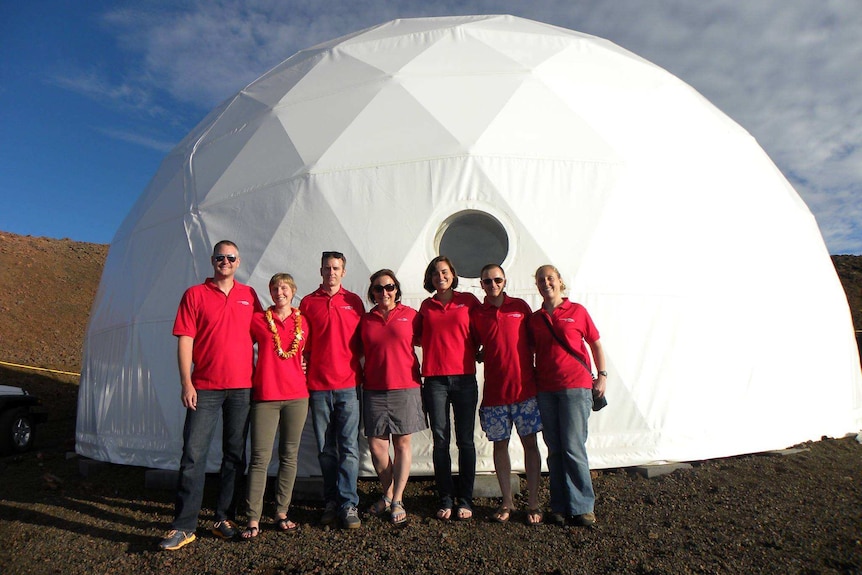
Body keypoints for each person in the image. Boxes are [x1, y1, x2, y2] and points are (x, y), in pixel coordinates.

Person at [159, 240, 263, 551]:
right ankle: (184, 525)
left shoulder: (249, 296)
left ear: (238, 261)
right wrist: (186, 382)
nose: (225, 262)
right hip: (204, 386)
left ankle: (223, 518)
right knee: (193, 455)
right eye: (220, 257)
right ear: (213, 260)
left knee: (234, 455)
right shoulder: (195, 294)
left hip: (242, 387)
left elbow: (267, 333)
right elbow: (185, 339)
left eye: (231, 258)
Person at [529, 264, 607, 527]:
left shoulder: (577, 311)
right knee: (555, 449)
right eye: (541, 280)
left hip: (575, 386)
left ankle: (583, 506)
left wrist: (602, 375)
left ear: (560, 281)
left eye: (550, 278)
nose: (546, 283)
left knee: (573, 446)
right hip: (546, 389)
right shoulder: (535, 318)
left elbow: (595, 343)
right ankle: (560, 505)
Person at [471, 264, 543, 525]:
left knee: (530, 445)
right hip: (495, 394)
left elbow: (535, 342)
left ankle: (533, 502)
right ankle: (507, 501)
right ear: (481, 284)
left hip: (525, 391)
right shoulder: (477, 313)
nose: (493, 285)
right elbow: (474, 345)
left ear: (504, 281)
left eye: (497, 280)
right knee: (499, 445)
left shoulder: (520, 307)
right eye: (487, 281)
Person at [299, 251, 365, 529]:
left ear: (344, 271)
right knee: (327, 450)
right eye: (327, 268)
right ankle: (330, 500)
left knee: (349, 448)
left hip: (349, 385)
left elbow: (365, 340)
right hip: (319, 386)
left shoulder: (354, 302)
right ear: (321, 270)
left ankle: (348, 503)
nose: (331, 273)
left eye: (336, 268)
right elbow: (300, 342)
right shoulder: (308, 302)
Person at [242, 273, 308, 539]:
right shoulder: (258, 320)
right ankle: (253, 517)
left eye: (284, 287)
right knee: (259, 458)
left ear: (292, 291)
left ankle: (282, 511)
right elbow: (241, 347)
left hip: (296, 396)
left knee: (289, 456)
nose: (279, 291)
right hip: (265, 396)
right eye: (274, 287)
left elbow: (306, 354)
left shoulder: (303, 322)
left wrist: (305, 365)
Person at [359, 269, 427, 525]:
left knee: (401, 444)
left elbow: (429, 339)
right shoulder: (366, 320)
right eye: (378, 288)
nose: (384, 292)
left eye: (389, 287)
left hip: (405, 387)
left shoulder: (410, 316)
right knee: (377, 446)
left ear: (396, 289)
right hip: (374, 388)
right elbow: (352, 350)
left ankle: (395, 498)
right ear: (372, 292)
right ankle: (389, 492)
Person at [417, 256, 481, 520]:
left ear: (453, 274)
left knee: (465, 441)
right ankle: (445, 497)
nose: (439, 276)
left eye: (444, 272)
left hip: (465, 378)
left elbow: (484, 328)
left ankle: (465, 498)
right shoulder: (426, 305)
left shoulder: (468, 302)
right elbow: (418, 337)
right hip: (435, 380)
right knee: (440, 441)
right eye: (434, 273)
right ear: (430, 279)